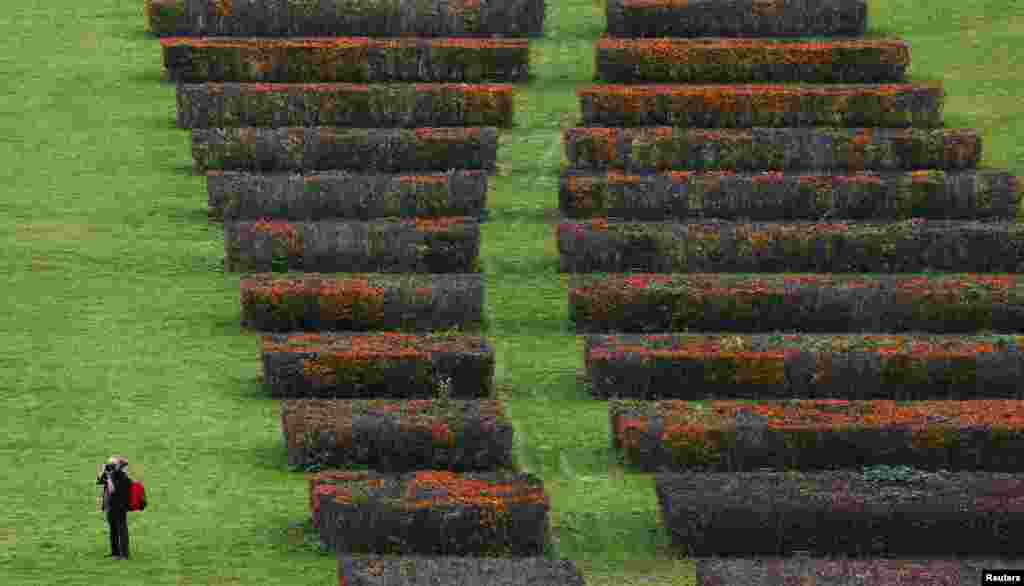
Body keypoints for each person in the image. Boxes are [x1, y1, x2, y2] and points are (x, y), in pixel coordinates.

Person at [97, 456, 131, 559]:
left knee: (122, 531)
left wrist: (109, 478)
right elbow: (99, 480)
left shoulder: (123, 477)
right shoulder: (112, 474)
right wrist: (104, 471)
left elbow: (112, 490)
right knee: (113, 530)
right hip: (110, 506)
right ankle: (115, 552)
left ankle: (124, 554)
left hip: (119, 507)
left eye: (112, 464)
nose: (111, 466)